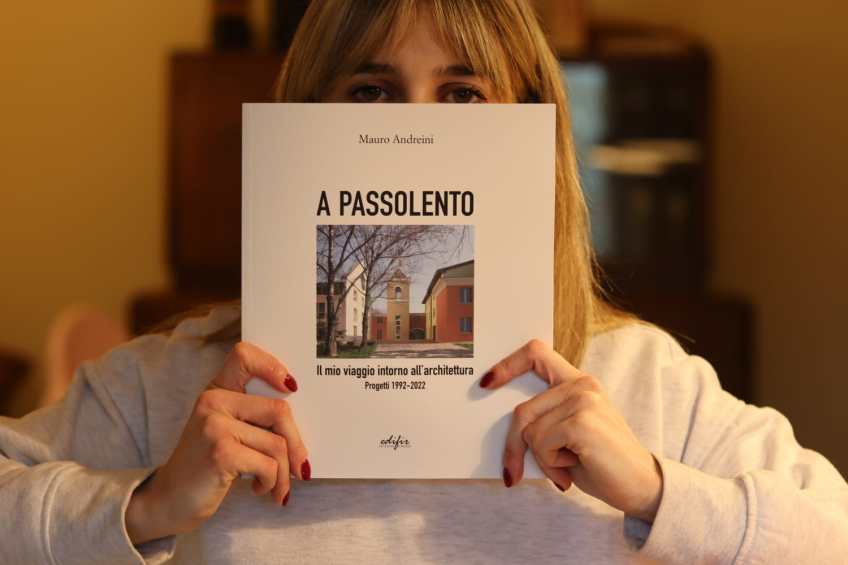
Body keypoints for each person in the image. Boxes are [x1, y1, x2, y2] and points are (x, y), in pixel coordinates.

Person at [2, 1, 847, 563]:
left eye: (463, 93)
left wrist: (658, 491)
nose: (414, 127)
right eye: (371, 89)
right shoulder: (182, 390)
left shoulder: (640, 383)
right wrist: (146, 504)